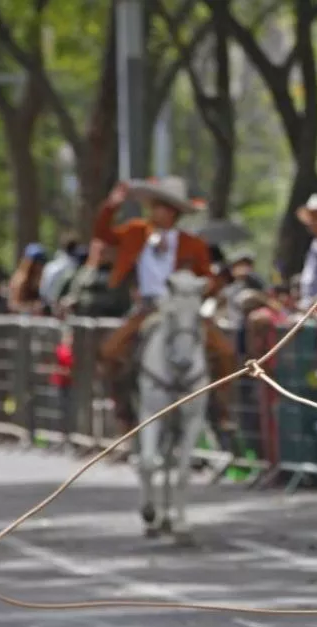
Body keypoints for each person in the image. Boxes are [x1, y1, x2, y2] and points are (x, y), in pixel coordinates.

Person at [93, 176, 237, 438]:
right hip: (148, 308)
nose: (155, 211)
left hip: (183, 308)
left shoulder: (192, 243)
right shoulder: (136, 232)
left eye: (161, 206)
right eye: (154, 205)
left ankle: (220, 408)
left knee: (225, 350)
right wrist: (111, 206)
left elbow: (209, 278)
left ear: (174, 212)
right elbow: (103, 233)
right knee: (110, 350)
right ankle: (124, 410)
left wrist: (205, 285)